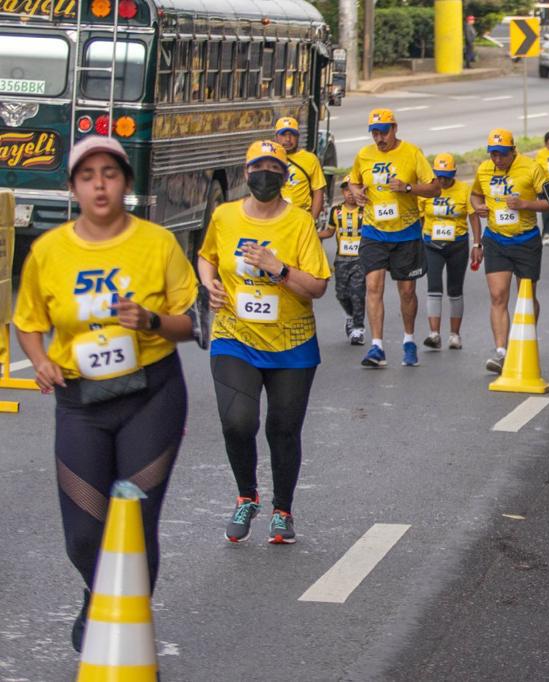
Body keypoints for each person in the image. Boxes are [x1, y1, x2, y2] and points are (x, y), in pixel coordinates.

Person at [14, 136, 199, 652]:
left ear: (126, 184)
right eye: (88, 175)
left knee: (134, 525)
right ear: (73, 188)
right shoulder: (49, 251)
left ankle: (130, 642)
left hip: (150, 395)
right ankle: (99, 595)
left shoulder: (156, 244)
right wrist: (43, 360)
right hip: (81, 402)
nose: (100, 184)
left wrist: (151, 320)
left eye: (110, 174)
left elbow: (191, 324)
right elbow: (28, 322)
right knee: (83, 533)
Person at [198, 140, 330, 545]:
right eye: (258, 167)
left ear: (285, 175)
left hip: (292, 344)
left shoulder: (300, 223)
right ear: (246, 172)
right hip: (234, 337)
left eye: (274, 167)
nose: (265, 174)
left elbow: (317, 287)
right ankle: (247, 496)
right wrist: (210, 285)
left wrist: (279, 269)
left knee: (283, 430)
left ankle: (282, 511)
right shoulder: (224, 216)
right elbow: (206, 256)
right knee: (238, 422)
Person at [348, 108, 440, 368]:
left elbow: (434, 188)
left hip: (407, 232)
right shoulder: (364, 155)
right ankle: (376, 346)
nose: (379, 138)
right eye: (375, 133)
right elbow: (353, 181)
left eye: (383, 132)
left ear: (395, 129)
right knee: (373, 287)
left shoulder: (411, 153)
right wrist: (357, 194)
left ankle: (408, 340)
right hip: (374, 231)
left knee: (407, 291)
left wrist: (408, 187)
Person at [471, 129, 549, 373]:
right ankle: (502, 352)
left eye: (502, 155)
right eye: (493, 155)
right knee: (498, 296)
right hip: (496, 239)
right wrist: (480, 208)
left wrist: (525, 204)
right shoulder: (484, 169)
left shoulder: (532, 168)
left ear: (513, 151)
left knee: (526, 298)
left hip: (526, 240)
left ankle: (524, 340)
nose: (497, 160)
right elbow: (475, 195)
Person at [419, 153, 480, 350]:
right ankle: (434, 334)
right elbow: (419, 216)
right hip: (432, 244)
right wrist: (418, 241)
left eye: (447, 176)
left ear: (453, 174)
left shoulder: (463, 189)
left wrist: (477, 244)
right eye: (439, 176)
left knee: (455, 289)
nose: (443, 180)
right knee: (434, 287)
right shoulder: (428, 190)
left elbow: (473, 217)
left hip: (457, 245)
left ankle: (455, 335)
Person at [318, 175, 366, 344]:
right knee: (341, 293)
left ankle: (359, 329)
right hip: (342, 259)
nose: (350, 194)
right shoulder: (336, 211)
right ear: (343, 192)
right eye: (346, 190)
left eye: (353, 190)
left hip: (360, 259)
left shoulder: (365, 210)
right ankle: (349, 316)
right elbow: (329, 232)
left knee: (358, 293)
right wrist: (312, 235)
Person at [275, 116, 327, 220]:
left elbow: (318, 190)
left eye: (292, 135)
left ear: (298, 137)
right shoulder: (270, 158)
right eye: (283, 135)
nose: (288, 139)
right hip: (277, 219)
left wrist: (312, 221)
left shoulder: (310, 159)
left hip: (302, 218)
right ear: (276, 137)